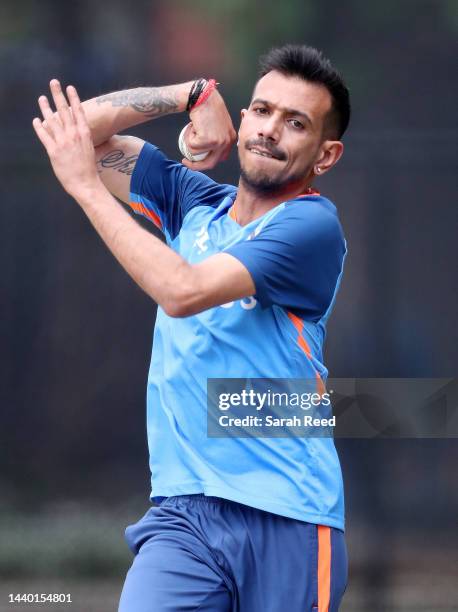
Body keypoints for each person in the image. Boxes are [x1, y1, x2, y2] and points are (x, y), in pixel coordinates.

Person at [33, 44, 350, 612]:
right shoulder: (193, 202)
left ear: (325, 156)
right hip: (182, 516)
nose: (270, 129)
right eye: (261, 110)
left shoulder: (311, 227)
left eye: (295, 121)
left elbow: (183, 292)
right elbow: (76, 132)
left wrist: (84, 187)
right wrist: (192, 94)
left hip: (288, 518)